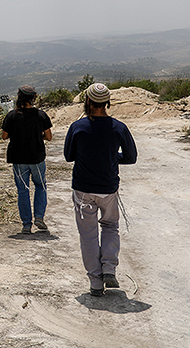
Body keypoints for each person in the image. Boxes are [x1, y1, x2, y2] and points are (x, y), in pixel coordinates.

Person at [64, 83, 137, 296]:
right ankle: (109, 268)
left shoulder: (77, 127)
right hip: (108, 189)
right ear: (107, 102)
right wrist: (112, 157)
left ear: (87, 101)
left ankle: (96, 283)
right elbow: (131, 157)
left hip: (83, 190)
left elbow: (69, 156)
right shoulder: (119, 127)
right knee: (110, 226)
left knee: (88, 235)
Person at [1, 85, 53, 234]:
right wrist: (38, 137)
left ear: (19, 98)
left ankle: (26, 224)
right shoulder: (41, 115)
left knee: (23, 191)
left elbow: (4, 136)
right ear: (33, 98)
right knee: (40, 186)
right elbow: (49, 137)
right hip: (37, 158)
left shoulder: (11, 115)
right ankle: (39, 217)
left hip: (18, 160)